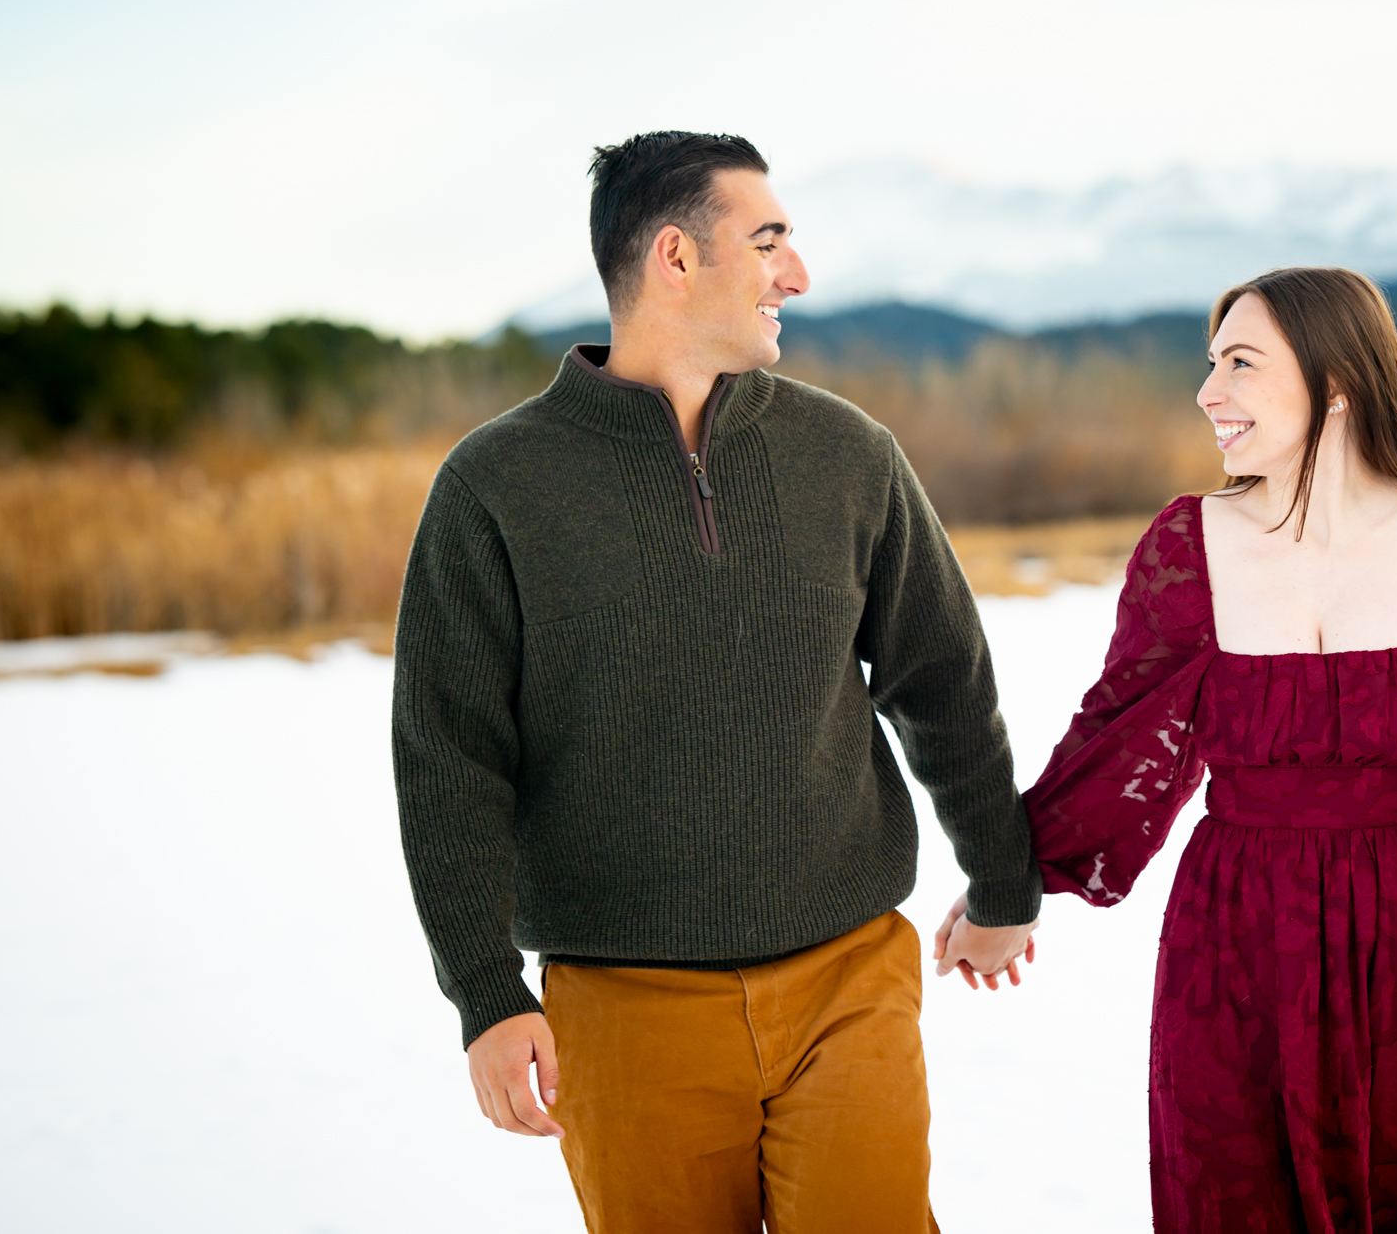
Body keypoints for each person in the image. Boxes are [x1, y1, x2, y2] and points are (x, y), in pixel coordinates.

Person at [392, 130, 1040, 1233]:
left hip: (848, 976)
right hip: (623, 1003)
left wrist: (1001, 877)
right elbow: (448, 759)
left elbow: (941, 676)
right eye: (769, 241)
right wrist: (485, 993)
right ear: (675, 259)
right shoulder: (495, 485)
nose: (796, 275)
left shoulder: (848, 453)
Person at [1014, 267, 1397, 1231]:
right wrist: (1014, 878)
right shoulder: (1186, 547)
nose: (1209, 392)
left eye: (1241, 363)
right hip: (1232, 944)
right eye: (1210, 363)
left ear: (1336, 380)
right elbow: (1120, 743)